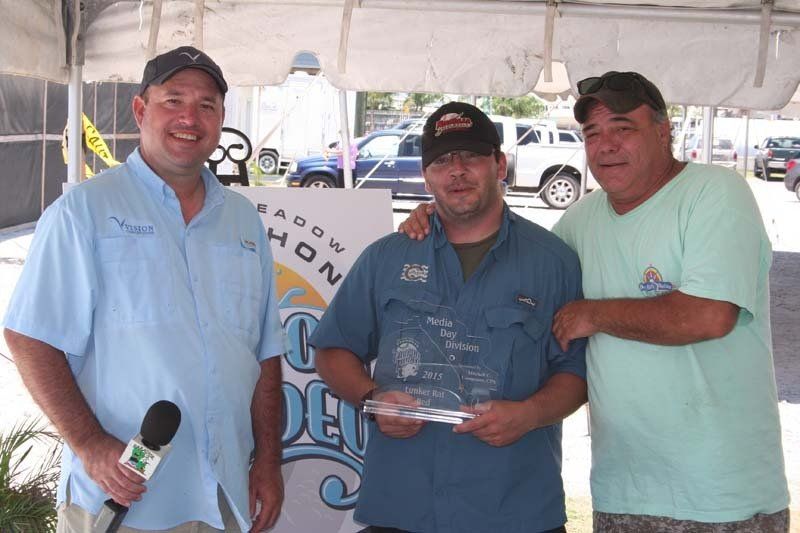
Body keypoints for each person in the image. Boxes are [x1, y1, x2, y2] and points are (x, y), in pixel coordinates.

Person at [400, 72, 790, 532]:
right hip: (621, 487)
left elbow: (709, 315)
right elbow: (514, 264)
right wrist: (439, 217)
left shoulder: (714, 193)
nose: (605, 145)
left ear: (664, 132)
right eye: (592, 133)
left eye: (623, 128)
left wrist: (594, 314)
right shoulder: (580, 221)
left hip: (721, 494)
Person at [3, 46, 285, 532]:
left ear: (221, 119)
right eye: (173, 100)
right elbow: (31, 337)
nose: (189, 118)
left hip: (224, 496)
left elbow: (263, 355)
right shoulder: (82, 213)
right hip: (127, 501)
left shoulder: (243, 220)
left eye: (206, 105)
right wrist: (90, 445)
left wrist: (268, 460)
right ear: (140, 110)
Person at [312, 101, 588, 533]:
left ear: (500, 164)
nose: (456, 170)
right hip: (402, 504)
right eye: (442, 160)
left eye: (471, 156)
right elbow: (333, 351)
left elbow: (576, 373)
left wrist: (531, 414)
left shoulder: (554, 263)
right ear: (426, 175)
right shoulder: (386, 258)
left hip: (513, 507)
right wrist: (373, 399)